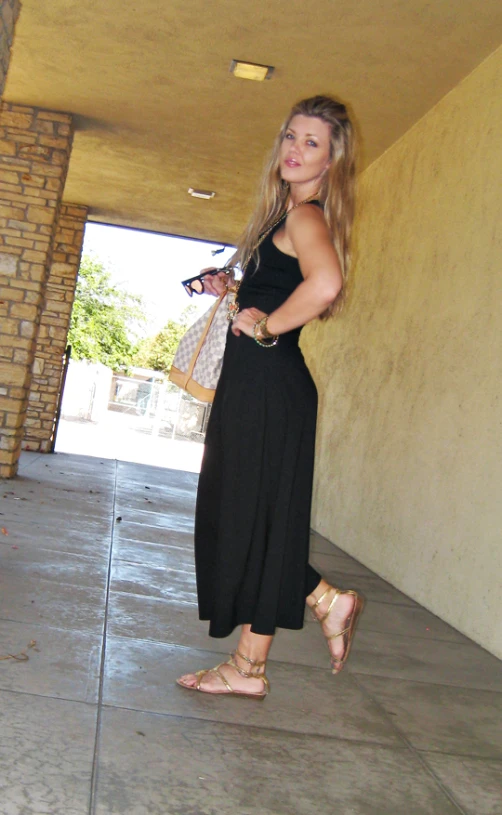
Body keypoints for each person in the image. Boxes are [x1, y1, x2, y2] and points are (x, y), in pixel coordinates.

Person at [177, 95, 363, 699]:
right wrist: (236, 291)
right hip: (262, 386)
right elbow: (281, 290)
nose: (294, 149)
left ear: (332, 161)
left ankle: (279, 641)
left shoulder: (307, 216)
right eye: (290, 135)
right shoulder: (280, 219)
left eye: (312, 142)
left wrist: (265, 326)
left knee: (247, 518)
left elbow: (326, 285)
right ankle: (266, 651)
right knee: (252, 518)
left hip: (269, 387)